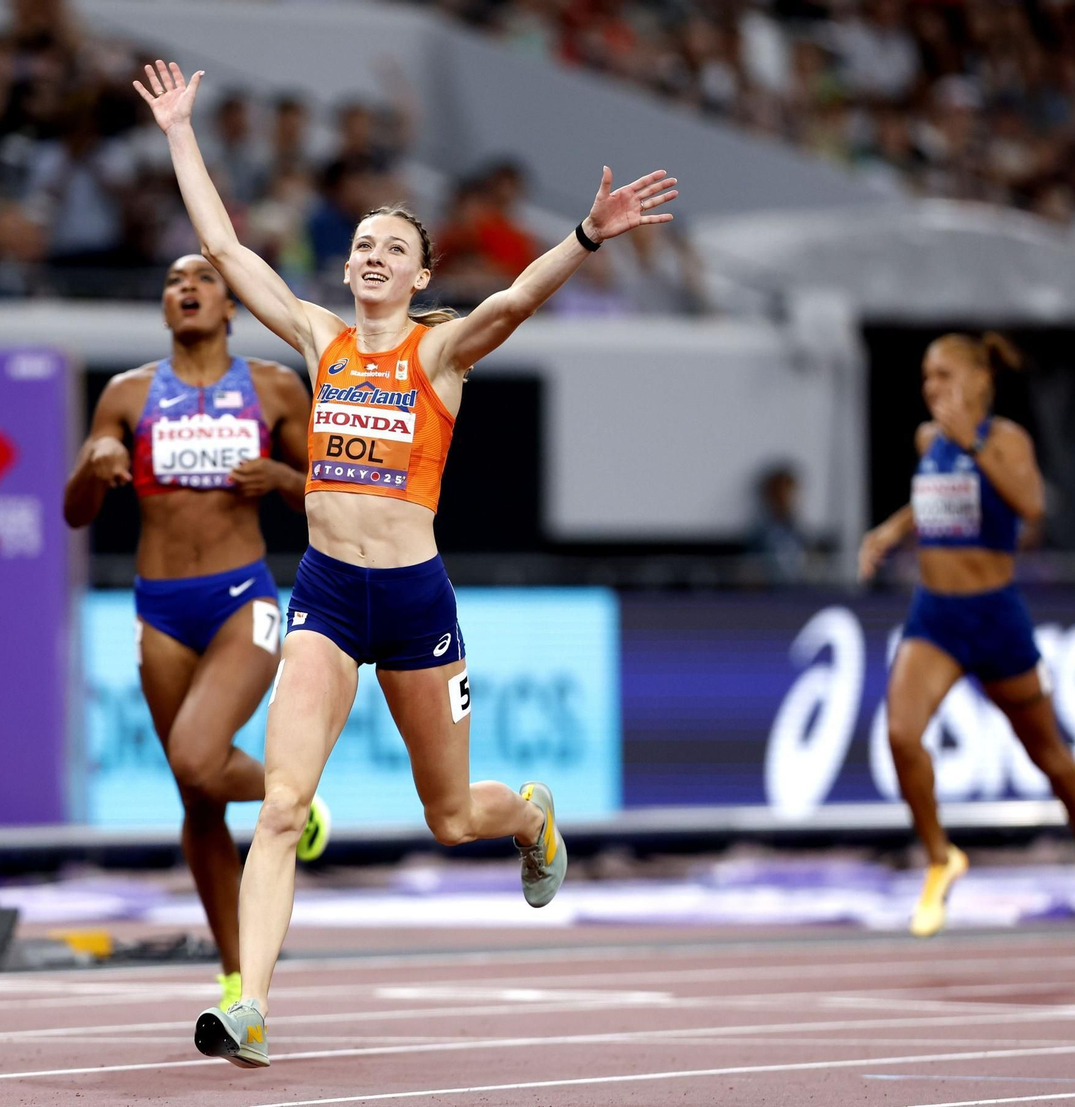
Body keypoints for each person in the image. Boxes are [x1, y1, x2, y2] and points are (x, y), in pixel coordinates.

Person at [133, 58, 678, 1067]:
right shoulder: (319, 339)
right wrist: (178, 132)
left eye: (395, 248)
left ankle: (531, 818)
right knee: (282, 805)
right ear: (346, 271)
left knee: (451, 815)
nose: (374, 256)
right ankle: (250, 1007)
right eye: (363, 246)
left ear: (421, 276)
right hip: (327, 598)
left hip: (415, 602)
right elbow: (224, 247)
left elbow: (513, 301)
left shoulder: (438, 353)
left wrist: (588, 234)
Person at [62, 253, 327, 1010]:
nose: (187, 287)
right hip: (160, 608)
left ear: (230, 305)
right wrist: (96, 463)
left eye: (204, 279)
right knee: (198, 796)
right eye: (175, 281)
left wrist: (283, 478)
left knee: (195, 755)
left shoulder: (274, 386)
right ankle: (239, 975)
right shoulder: (127, 393)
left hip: (242, 598)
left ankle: (291, 799)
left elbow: (334, 493)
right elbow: (75, 512)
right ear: (164, 306)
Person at [858, 333, 1075, 938]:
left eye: (943, 374)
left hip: (995, 618)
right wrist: (891, 529)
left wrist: (972, 441)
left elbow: (1031, 505)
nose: (931, 386)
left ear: (979, 380)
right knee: (901, 735)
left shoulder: (1005, 440)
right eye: (926, 376)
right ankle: (940, 858)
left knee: (1048, 754)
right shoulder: (929, 440)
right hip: (935, 618)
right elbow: (937, 502)